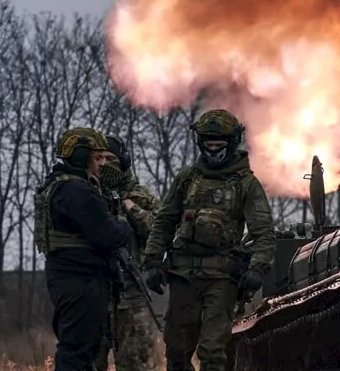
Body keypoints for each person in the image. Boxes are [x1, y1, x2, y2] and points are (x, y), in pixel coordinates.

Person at [140, 109, 275, 371]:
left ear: (232, 143)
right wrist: (152, 260)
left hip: (222, 277)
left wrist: (258, 269)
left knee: (213, 352)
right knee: (177, 351)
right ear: (200, 143)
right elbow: (165, 221)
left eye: (219, 145)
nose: (214, 150)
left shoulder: (246, 184)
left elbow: (263, 232)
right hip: (183, 275)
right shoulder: (187, 179)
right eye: (209, 144)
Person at [32, 127, 132, 371]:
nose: (101, 165)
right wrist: (125, 225)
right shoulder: (77, 191)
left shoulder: (60, 186)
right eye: (97, 158)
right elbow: (107, 234)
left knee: (80, 349)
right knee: (77, 351)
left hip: (71, 277)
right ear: (80, 158)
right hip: (81, 280)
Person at [95, 135, 162, 371]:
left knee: (136, 361)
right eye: (100, 158)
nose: (105, 164)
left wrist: (131, 209)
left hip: (131, 289)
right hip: (96, 287)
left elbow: (160, 230)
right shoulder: (89, 194)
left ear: (123, 161)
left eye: (111, 158)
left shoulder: (140, 195)